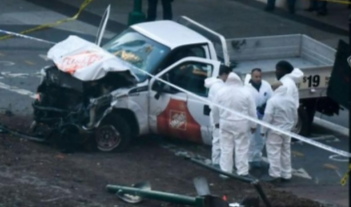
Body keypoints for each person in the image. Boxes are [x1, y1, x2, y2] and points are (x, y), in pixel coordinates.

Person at [212, 72, 257, 177]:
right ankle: (242, 171)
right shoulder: (246, 93)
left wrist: (216, 122)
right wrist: (253, 125)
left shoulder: (220, 92)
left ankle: (225, 172)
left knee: (226, 148)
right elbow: (252, 111)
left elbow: (215, 109)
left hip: (225, 123)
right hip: (241, 124)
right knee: (241, 148)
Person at [260, 85, 298, 183]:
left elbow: (268, 116)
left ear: (274, 89)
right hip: (287, 131)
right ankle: (286, 174)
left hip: (274, 132)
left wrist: (263, 130)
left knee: (274, 153)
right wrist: (292, 127)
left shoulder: (273, 101)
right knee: (285, 152)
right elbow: (295, 116)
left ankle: (274, 174)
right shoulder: (291, 100)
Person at [204, 65, 232, 169]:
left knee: (218, 139)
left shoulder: (216, 85)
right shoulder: (219, 87)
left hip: (218, 115)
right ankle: (216, 162)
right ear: (224, 74)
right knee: (218, 139)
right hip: (219, 116)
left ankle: (217, 161)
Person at [246, 68, 273, 169]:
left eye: (259, 77)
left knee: (261, 138)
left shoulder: (266, 85)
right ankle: (249, 159)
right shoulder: (246, 88)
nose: (258, 79)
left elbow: (271, 99)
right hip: (251, 116)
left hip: (262, 115)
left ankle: (257, 158)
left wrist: (264, 107)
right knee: (250, 138)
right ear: (252, 76)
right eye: (256, 77)